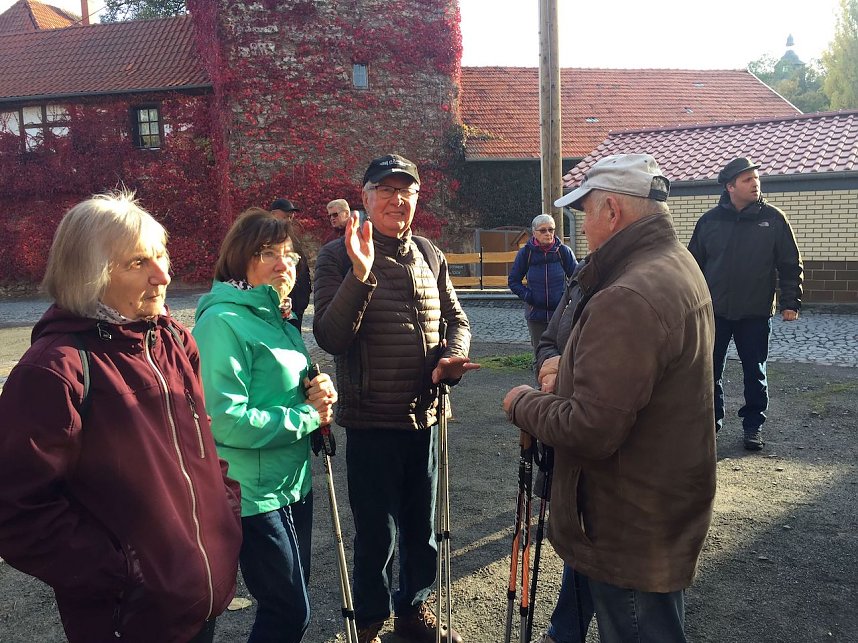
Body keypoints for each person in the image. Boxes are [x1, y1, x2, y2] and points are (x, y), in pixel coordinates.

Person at [0, 192, 243, 643]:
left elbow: (200, 445)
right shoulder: (54, 370)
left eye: (160, 254)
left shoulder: (174, 342)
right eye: (137, 263)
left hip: (198, 599)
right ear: (89, 275)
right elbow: (17, 509)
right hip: (127, 620)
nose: (163, 275)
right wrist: (123, 573)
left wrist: (224, 512)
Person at [503, 154, 716, 643]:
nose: (581, 229)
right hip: (653, 503)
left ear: (613, 212)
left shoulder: (630, 292)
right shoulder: (672, 263)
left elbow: (592, 427)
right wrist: (571, 370)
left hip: (628, 519)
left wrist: (522, 404)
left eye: (585, 215)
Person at [313, 153, 479, 643]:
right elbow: (330, 336)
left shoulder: (429, 252)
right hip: (371, 420)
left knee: (420, 528)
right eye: (385, 190)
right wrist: (361, 275)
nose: (397, 200)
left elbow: (458, 319)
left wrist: (453, 358)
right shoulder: (337, 255)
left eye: (406, 191)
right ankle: (367, 621)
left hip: (425, 415)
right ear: (364, 198)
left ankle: (413, 610)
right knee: (374, 534)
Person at [193, 208, 337, 643]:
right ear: (239, 258)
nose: (283, 265)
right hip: (251, 493)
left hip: (293, 484)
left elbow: (283, 387)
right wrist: (308, 416)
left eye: (290, 255)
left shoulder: (279, 318)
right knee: (289, 612)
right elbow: (226, 420)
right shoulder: (222, 322)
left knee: (291, 607)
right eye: (268, 253)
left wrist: (317, 388)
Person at [688, 157, 802, 451]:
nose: (755, 183)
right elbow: (692, 266)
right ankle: (710, 423)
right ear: (730, 187)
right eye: (747, 180)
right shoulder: (709, 222)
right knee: (708, 370)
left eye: (756, 178)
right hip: (715, 313)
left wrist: (791, 301)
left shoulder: (774, 219)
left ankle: (753, 425)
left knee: (756, 371)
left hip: (755, 312)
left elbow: (790, 264)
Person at [508, 214, 577, 352]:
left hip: (560, 315)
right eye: (543, 230)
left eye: (551, 230)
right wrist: (530, 297)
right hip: (536, 316)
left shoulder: (563, 252)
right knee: (540, 354)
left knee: (563, 354)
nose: (548, 234)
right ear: (534, 233)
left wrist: (567, 299)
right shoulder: (526, 253)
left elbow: (577, 279)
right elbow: (513, 281)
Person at [270, 198, 312, 330]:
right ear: (273, 214)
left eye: (291, 217)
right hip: (282, 301)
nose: (289, 220)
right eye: (286, 216)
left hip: (298, 301)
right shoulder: (268, 237)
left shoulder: (291, 236)